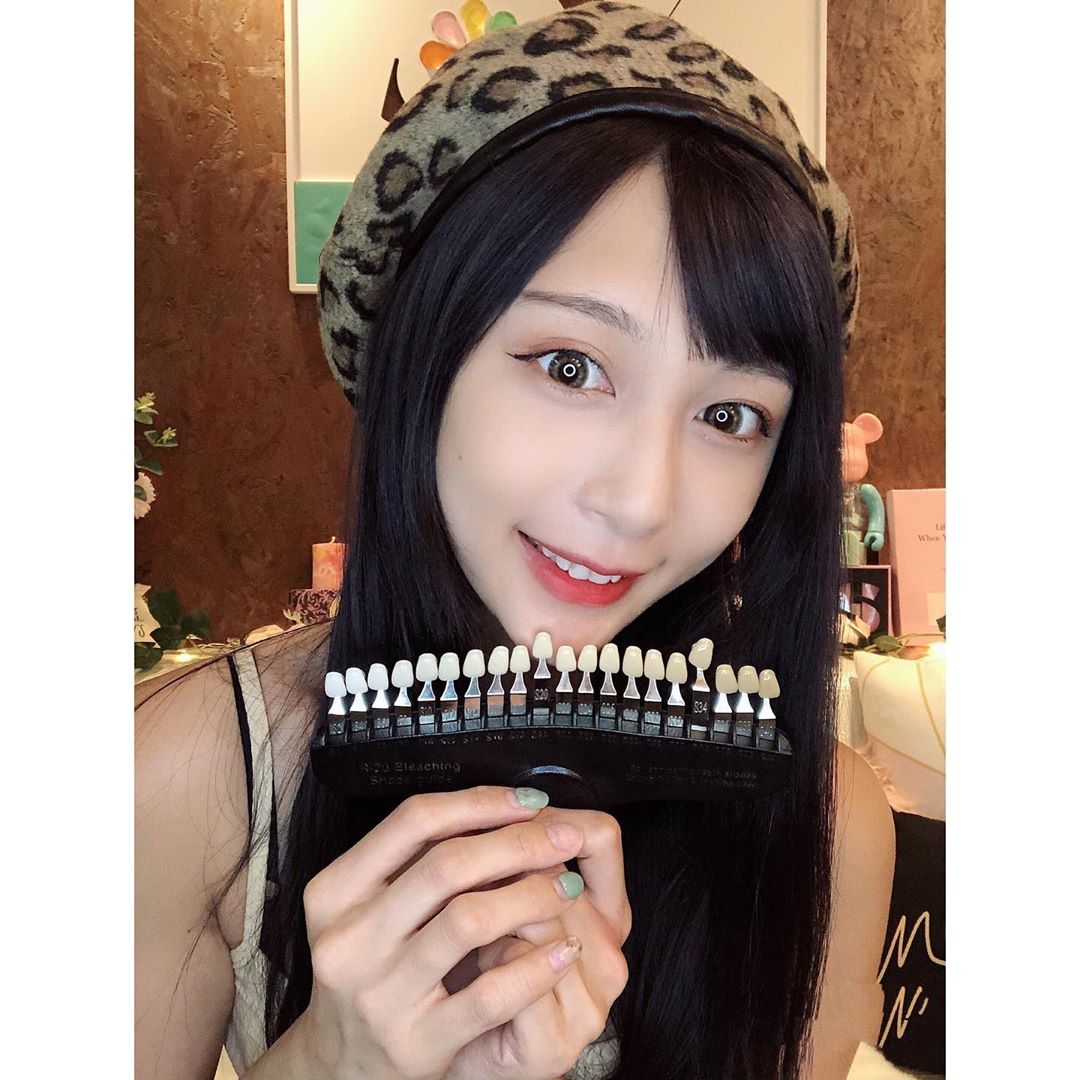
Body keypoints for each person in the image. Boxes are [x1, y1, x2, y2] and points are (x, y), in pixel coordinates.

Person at [135, 4, 894, 1078]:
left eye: (730, 415)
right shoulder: (193, 773)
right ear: (423, 354)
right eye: (571, 368)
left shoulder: (829, 824)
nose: (641, 502)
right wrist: (325, 1064)